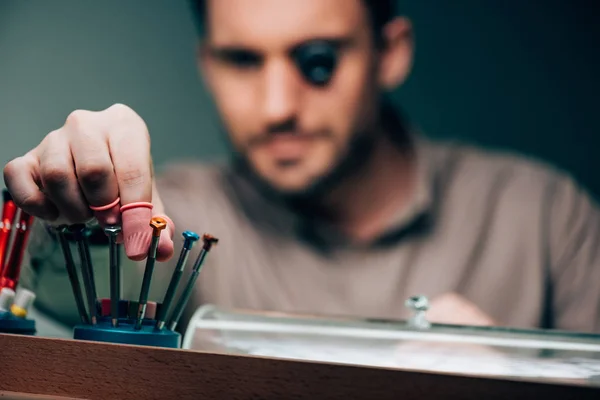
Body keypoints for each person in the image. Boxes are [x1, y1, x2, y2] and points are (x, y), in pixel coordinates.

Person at [3, 0, 600, 334]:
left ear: (389, 54)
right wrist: (65, 200)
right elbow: (51, 283)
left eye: (317, 61)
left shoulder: (547, 218)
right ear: (206, 64)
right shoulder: (174, 218)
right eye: (242, 61)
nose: (277, 106)